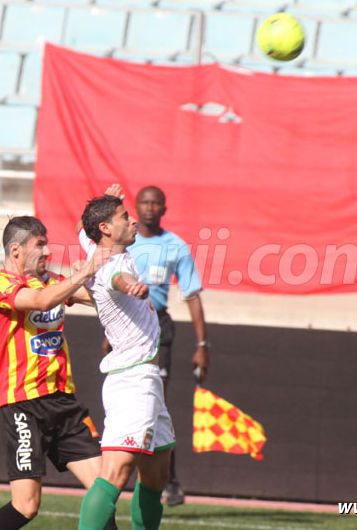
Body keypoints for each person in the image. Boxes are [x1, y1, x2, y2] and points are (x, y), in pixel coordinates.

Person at [0, 215, 116, 530]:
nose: (47, 252)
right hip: (23, 404)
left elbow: (99, 299)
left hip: (64, 403)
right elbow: (41, 301)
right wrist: (85, 270)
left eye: (47, 244)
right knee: (27, 506)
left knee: (103, 492)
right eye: (39, 245)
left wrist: (114, 259)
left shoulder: (52, 281)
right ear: (16, 251)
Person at [77, 195, 174, 530]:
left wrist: (97, 208)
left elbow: (84, 233)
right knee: (115, 473)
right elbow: (119, 280)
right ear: (106, 229)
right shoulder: (113, 266)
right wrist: (133, 286)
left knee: (157, 473)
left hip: (145, 377)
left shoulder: (97, 250)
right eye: (124, 216)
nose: (132, 221)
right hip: (133, 380)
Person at [126, 185, 210, 506]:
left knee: (155, 401)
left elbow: (192, 295)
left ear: (164, 208)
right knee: (127, 400)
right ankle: (121, 468)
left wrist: (202, 343)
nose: (149, 208)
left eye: (155, 203)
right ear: (135, 207)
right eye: (143, 202)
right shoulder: (125, 243)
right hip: (125, 326)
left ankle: (168, 480)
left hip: (158, 327)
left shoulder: (175, 246)